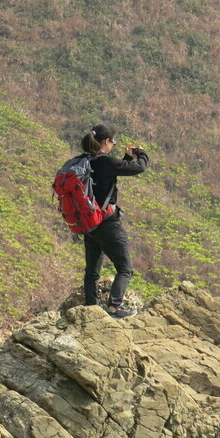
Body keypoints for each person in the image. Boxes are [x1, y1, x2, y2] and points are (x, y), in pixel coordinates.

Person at [80, 123, 148, 319]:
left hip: (89, 225)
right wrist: (141, 154)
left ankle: (90, 308)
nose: (113, 146)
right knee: (125, 269)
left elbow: (109, 174)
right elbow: (139, 168)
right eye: (113, 142)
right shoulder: (105, 162)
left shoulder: (85, 161)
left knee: (92, 271)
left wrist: (126, 158)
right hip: (108, 223)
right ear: (106, 142)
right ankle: (114, 309)